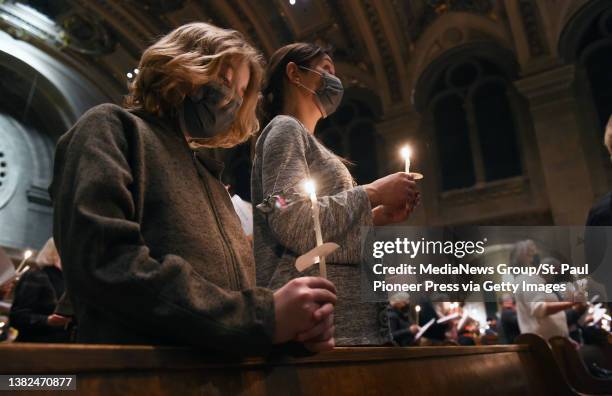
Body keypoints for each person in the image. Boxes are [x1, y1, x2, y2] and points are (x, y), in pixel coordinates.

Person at [50, 23, 336, 354]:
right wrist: (263, 317)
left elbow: (231, 305)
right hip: (137, 375)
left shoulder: (211, 180)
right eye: (225, 81)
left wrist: (291, 333)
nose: (232, 100)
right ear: (183, 65)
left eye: (242, 93)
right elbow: (105, 263)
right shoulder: (113, 128)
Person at [252, 43, 420, 345]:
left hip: (344, 321)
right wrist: (372, 193)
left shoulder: (306, 139)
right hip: (319, 324)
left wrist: (374, 217)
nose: (334, 80)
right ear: (294, 73)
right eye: (325, 69)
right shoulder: (284, 129)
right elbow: (290, 216)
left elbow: (324, 236)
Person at [9, 239, 71, 342]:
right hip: (35, 348)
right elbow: (17, 317)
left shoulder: (69, 281)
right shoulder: (35, 276)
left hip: (62, 349)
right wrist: (47, 320)